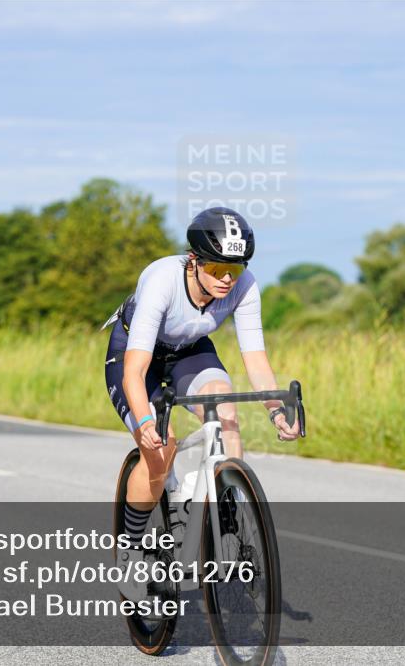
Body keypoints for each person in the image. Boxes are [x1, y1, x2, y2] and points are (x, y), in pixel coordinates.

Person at [103, 208, 299, 593]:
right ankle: (130, 553)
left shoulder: (245, 287)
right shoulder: (163, 280)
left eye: (235, 270)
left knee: (225, 413)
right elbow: (134, 370)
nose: (227, 279)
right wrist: (145, 425)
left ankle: (226, 527)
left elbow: (255, 358)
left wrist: (276, 410)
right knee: (162, 449)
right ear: (194, 261)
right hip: (136, 354)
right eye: (216, 269)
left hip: (191, 352)